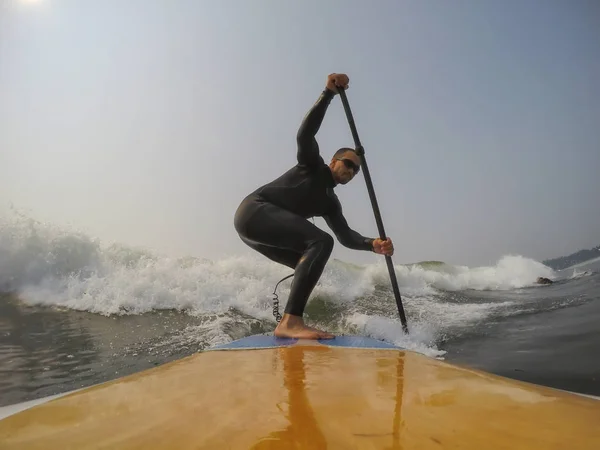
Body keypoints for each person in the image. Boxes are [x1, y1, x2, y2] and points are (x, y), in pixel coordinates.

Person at [234, 73, 394, 339]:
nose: (352, 172)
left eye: (356, 171)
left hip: (255, 233)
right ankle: (291, 322)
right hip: (254, 211)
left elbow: (346, 236)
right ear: (333, 161)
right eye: (348, 164)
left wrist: (372, 244)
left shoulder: (330, 202)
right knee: (321, 241)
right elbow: (305, 133)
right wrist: (328, 94)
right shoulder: (312, 166)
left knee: (308, 260)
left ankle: (287, 321)